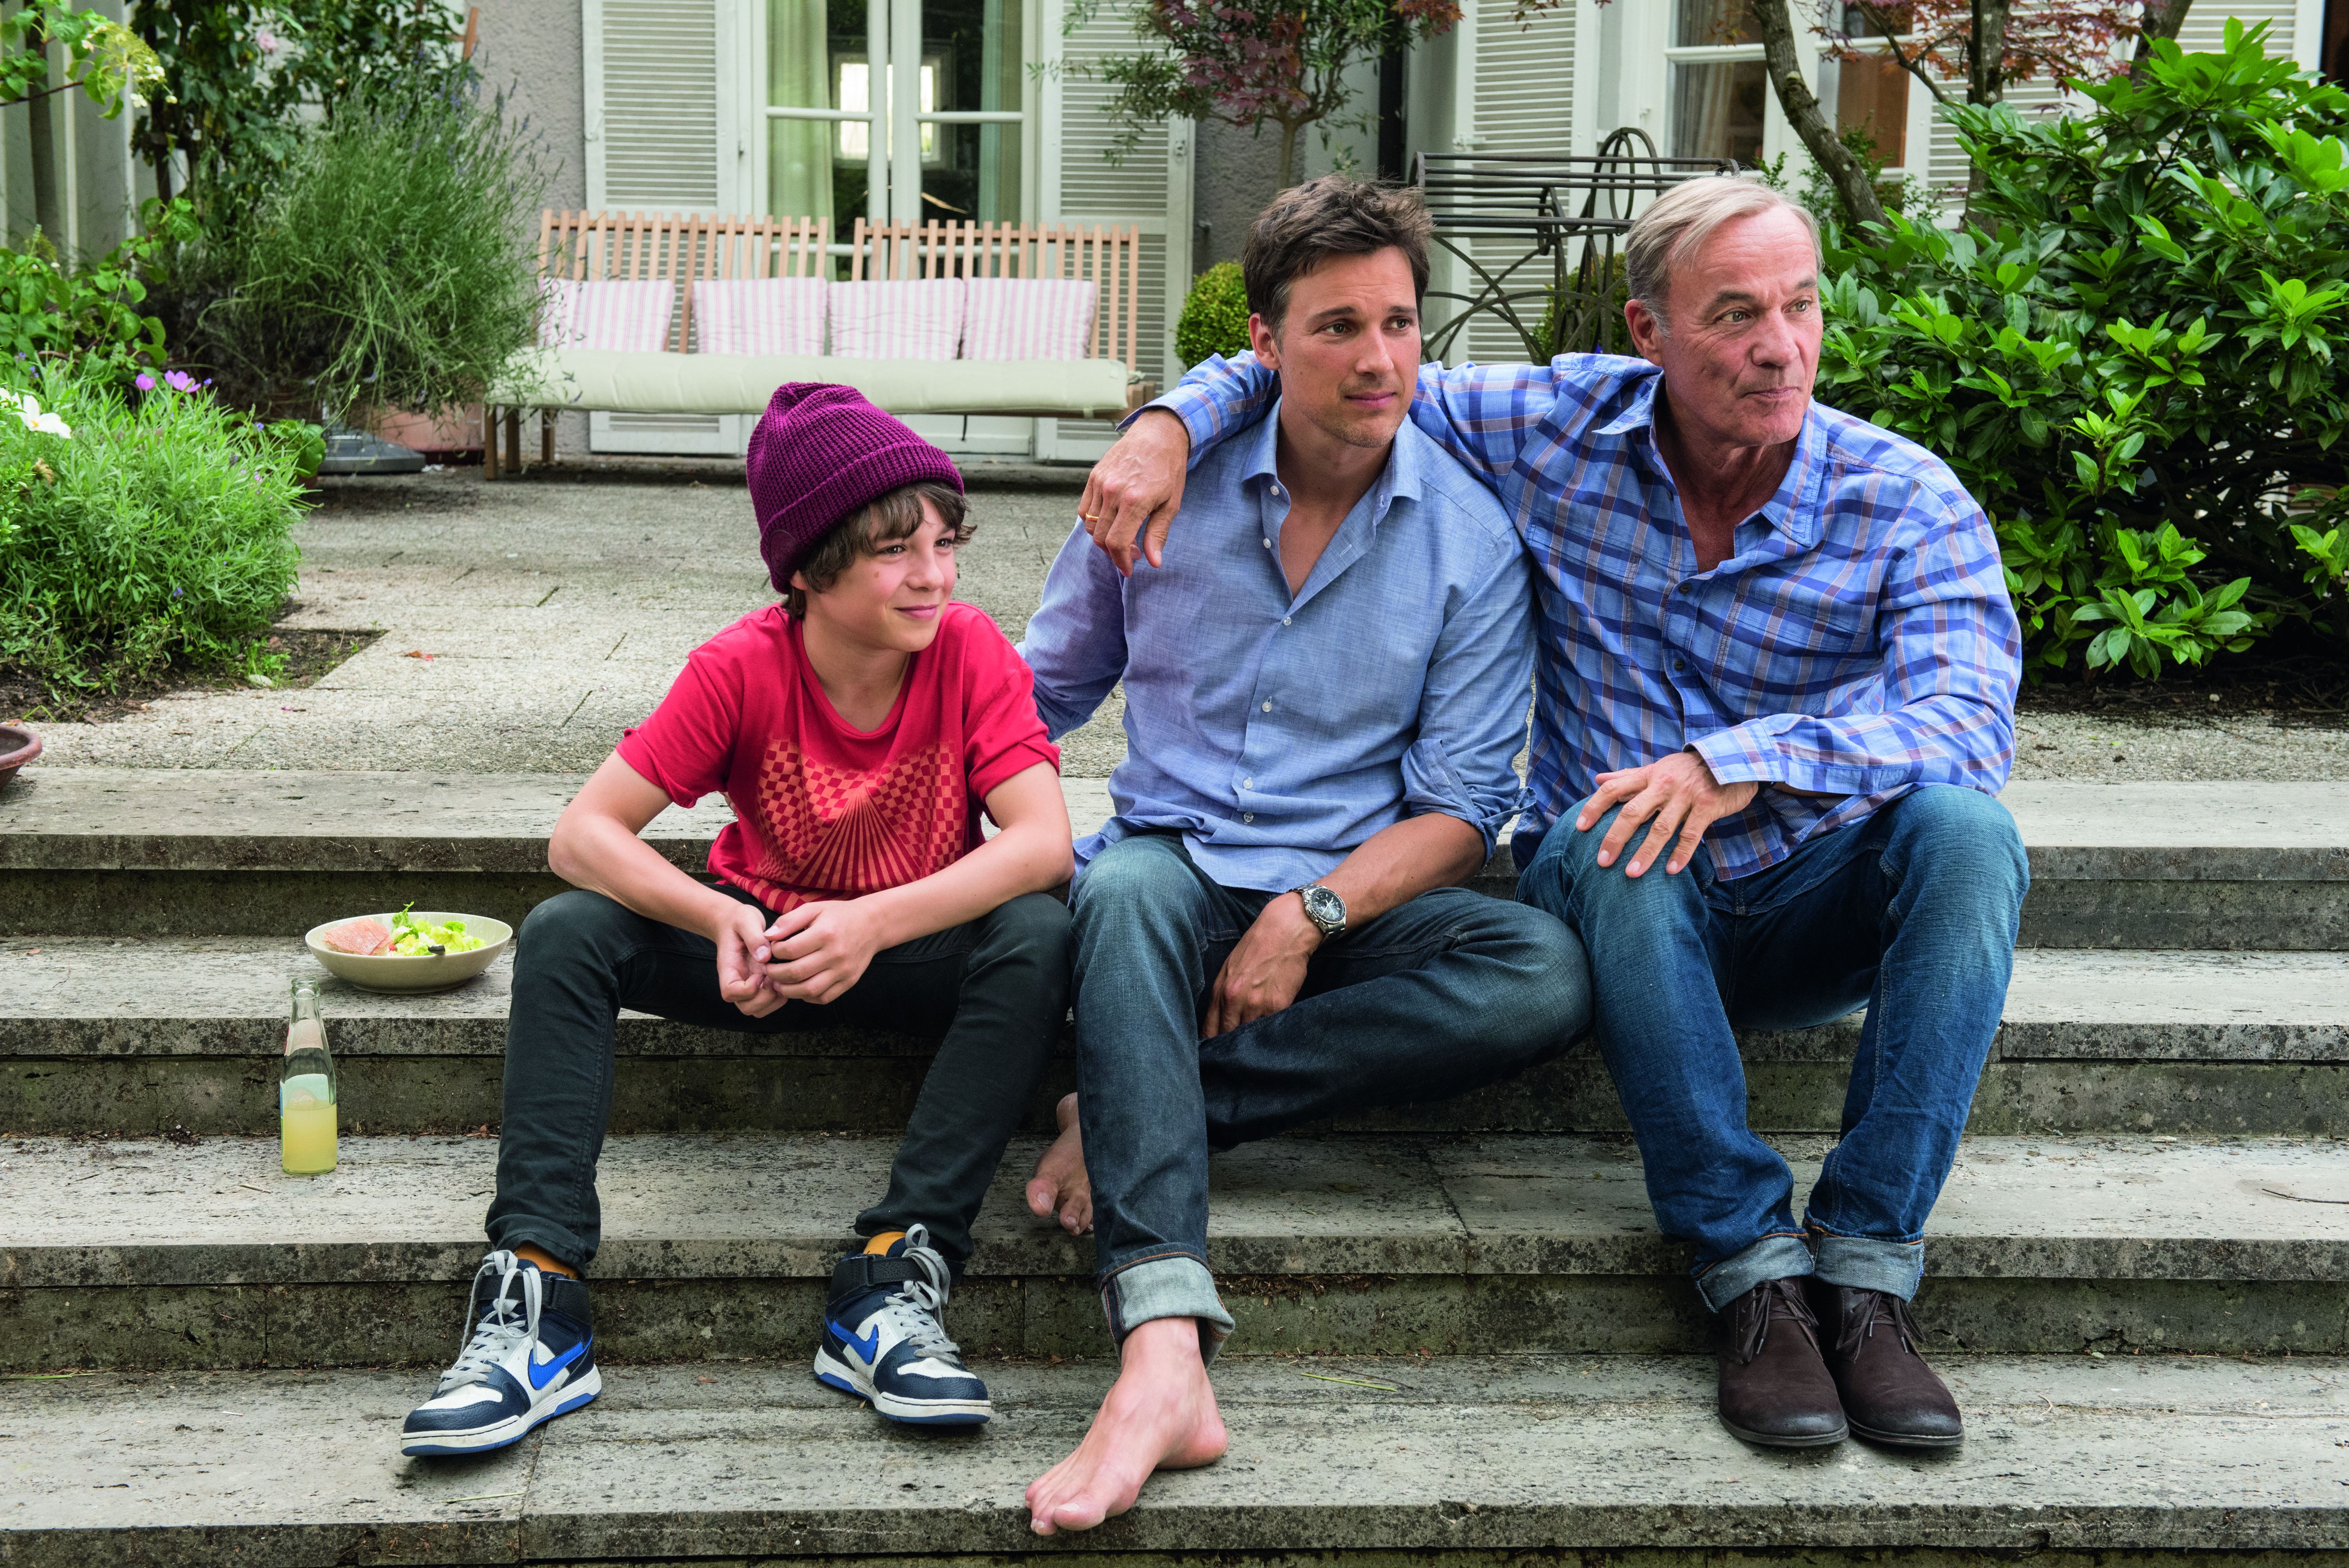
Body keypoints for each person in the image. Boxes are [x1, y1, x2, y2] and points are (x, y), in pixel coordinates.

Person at [1080, 174, 2028, 1452]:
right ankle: (1750, 1273)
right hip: (1616, 897)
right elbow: (1338, 369)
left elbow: (1968, 720)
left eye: (1801, 307)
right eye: (1736, 314)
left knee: (1969, 834)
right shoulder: (1556, 425)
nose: (1780, 346)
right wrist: (1166, 424)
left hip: (1810, 898)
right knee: (1621, 829)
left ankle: (1864, 1272)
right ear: (1649, 331)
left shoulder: (1904, 495)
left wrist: (1739, 760)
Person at [1017, 175, 1592, 1534]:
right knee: (1128, 887)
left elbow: (1464, 811)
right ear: (1265, 344)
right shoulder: (1155, 492)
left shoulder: (1470, 540)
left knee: (1543, 970)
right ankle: (1163, 1348)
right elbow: (1034, 702)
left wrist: (1311, 914)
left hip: (1348, 907)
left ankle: (1144, 1103)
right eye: (1338, 327)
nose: (1379, 358)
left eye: (1400, 323)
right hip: (1168, 875)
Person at [401, 384, 1075, 1456]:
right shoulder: (741, 665)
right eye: (896, 552)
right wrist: (718, 918)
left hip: (908, 957)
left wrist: (874, 926)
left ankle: (892, 1278)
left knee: (1037, 932)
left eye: (945, 544)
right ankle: (538, 1294)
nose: (935, 575)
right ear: (808, 568)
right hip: (755, 959)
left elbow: (1042, 844)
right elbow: (582, 836)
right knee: (568, 930)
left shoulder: (970, 651)